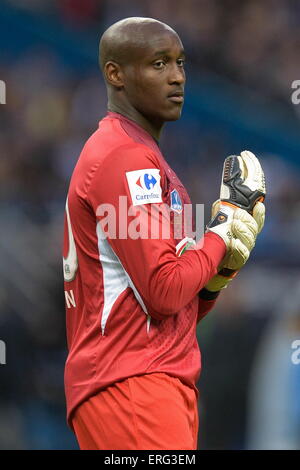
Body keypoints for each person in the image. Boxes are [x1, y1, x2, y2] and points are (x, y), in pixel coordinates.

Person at [63, 17, 264, 450]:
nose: (176, 76)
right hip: (132, 384)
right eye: (158, 64)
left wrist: (217, 274)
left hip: (146, 380)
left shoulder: (145, 160)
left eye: (179, 63)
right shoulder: (126, 158)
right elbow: (164, 289)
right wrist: (223, 230)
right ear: (115, 74)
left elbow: (175, 307)